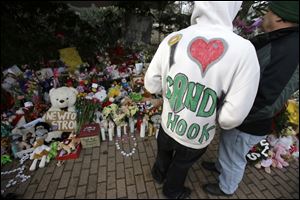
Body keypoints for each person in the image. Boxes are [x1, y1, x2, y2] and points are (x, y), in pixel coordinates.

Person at [144, 1, 261, 199]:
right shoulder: (244, 51)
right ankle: (172, 191)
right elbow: (231, 117)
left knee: (163, 150)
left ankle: (158, 174)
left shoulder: (174, 38)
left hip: (168, 121)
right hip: (197, 131)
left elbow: (151, 84)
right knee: (181, 163)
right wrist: (217, 116)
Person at [202, 1, 299, 196]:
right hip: (243, 113)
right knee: (229, 146)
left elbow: (269, 99)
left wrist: (236, 114)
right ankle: (221, 166)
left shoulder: (287, 50)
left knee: (235, 155)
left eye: (268, 12)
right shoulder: (281, 41)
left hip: (249, 120)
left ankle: (226, 187)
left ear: (280, 18)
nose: (264, 16)